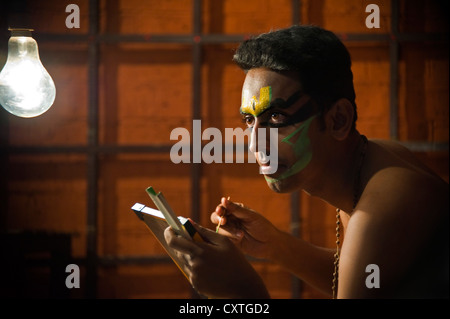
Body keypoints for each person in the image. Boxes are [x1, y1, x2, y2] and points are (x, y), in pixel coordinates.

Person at [164, 25, 449, 299]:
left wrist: (244, 291)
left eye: (276, 117)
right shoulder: (370, 162)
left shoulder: (381, 207)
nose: (254, 144)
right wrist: (275, 244)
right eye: (249, 121)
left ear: (338, 119)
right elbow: (364, 279)